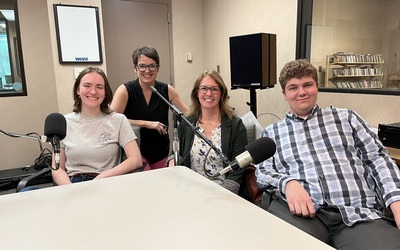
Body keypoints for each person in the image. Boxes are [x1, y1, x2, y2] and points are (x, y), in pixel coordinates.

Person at [255, 59, 400, 249]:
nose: (301, 92)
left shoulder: (347, 119)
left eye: (307, 85)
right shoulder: (272, 133)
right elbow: (262, 171)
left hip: (358, 214)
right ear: (284, 94)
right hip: (302, 215)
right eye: (293, 88)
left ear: (317, 86)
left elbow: (378, 159)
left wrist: (396, 201)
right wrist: (287, 183)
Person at [52, 66, 142, 185]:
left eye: (99, 87)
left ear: (105, 93)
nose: (93, 91)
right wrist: (71, 189)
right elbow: (57, 168)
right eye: (87, 86)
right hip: (72, 183)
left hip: (105, 182)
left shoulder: (118, 120)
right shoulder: (63, 122)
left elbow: (135, 160)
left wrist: (101, 178)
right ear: (78, 90)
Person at [169, 70, 248, 194]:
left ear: (222, 93)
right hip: (191, 191)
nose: (209, 93)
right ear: (197, 92)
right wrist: (172, 162)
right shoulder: (187, 124)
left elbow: (239, 168)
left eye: (214, 89)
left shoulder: (236, 125)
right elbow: (176, 154)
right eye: (204, 88)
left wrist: (224, 195)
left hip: (224, 192)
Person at [111, 46, 189, 171]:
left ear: (158, 68)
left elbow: (188, 115)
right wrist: (146, 124)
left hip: (161, 152)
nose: (147, 70)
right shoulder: (125, 90)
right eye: (142, 66)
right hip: (136, 152)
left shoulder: (167, 90)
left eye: (152, 66)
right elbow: (112, 120)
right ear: (135, 69)